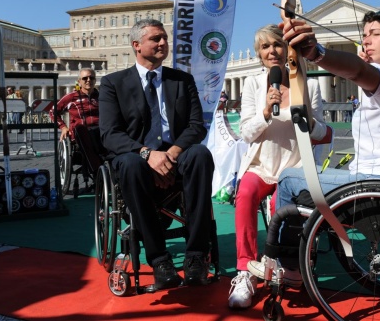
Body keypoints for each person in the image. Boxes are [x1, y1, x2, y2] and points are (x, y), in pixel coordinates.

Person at [247, 5, 380, 280]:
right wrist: (366, 66)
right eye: (365, 34)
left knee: (289, 179)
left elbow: (360, 72)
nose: (366, 40)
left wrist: (316, 52)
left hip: (378, 181)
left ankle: (286, 265)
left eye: (375, 34)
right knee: (308, 179)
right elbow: (365, 73)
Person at [99, 19, 214, 290]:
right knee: (129, 164)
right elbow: (110, 134)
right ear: (137, 45)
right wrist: (147, 154)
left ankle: (196, 255)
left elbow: (196, 126)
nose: (163, 43)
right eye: (156, 39)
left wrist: (171, 154)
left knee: (200, 155)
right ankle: (160, 259)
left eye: (164, 38)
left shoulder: (182, 80)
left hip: (176, 155)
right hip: (135, 157)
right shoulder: (112, 83)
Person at [228, 25, 327, 309]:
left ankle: (285, 264)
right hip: (262, 164)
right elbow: (247, 133)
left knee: (278, 208)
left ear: (288, 50)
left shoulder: (309, 85)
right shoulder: (253, 84)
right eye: (264, 47)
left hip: (295, 167)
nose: (272, 51)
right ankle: (245, 271)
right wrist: (264, 113)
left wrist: (307, 119)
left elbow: (321, 132)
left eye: (277, 45)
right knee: (245, 195)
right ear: (259, 54)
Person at [50, 68, 100, 142]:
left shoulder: (102, 96)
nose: (89, 80)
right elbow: (53, 112)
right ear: (79, 81)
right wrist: (63, 127)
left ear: (95, 80)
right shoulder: (71, 97)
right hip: (80, 133)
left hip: (100, 131)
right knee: (81, 131)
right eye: (85, 78)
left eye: (91, 78)